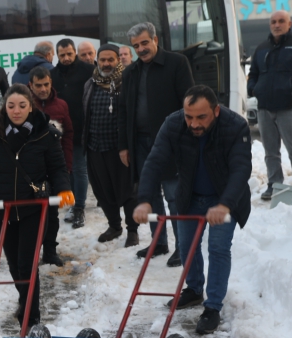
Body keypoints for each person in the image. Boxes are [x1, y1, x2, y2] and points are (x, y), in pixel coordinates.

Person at [133, 85, 252, 335]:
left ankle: (213, 306)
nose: (194, 123)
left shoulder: (235, 126)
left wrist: (225, 204)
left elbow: (241, 170)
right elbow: (154, 161)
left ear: (216, 111)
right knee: (186, 246)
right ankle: (194, 289)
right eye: (189, 117)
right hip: (190, 195)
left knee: (218, 248)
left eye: (201, 117)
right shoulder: (174, 124)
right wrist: (144, 199)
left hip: (224, 197)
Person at [0, 85, 73, 327]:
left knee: (26, 263)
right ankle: (24, 299)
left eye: (22, 106)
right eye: (11, 106)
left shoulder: (46, 134)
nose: (16, 111)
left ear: (31, 106)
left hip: (34, 208)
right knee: (12, 262)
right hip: (3, 208)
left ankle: (31, 317)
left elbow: (57, 168)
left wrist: (64, 189)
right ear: (4, 107)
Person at [117, 22, 194, 266]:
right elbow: (123, 111)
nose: (141, 49)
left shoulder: (177, 63)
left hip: (171, 142)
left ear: (155, 40)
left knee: (173, 194)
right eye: (136, 46)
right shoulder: (130, 72)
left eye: (144, 43)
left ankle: (183, 246)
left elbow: (189, 102)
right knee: (148, 193)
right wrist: (123, 146)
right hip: (139, 142)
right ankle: (159, 241)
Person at [246, 10, 292, 201]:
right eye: (273, 22)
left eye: (281, 21)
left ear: (289, 24)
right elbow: (253, 73)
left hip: (289, 106)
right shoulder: (262, 48)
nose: (277, 25)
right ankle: (274, 184)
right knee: (270, 151)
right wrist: (253, 88)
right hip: (265, 108)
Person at [82, 43, 137, 246]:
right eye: (102, 60)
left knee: (128, 190)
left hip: (120, 148)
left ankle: (132, 230)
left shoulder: (127, 82)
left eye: (110, 60)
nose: (106, 64)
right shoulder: (90, 84)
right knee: (103, 191)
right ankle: (114, 226)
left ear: (118, 60)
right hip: (95, 146)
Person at [27, 66, 73, 266]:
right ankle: (30, 251)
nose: (43, 89)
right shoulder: (24, 105)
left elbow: (69, 134)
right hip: (31, 171)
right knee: (32, 214)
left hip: (55, 167)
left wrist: (67, 163)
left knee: (52, 214)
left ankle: (50, 251)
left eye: (46, 84)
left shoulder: (61, 105)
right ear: (31, 86)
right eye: (38, 86)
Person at [52, 38, 94, 230]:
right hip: (59, 132)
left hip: (81, 129)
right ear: (57, 55)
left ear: (74, 52)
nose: (66, 58)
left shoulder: (87, 71)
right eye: (62, 55)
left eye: (69, 54)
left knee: (79, 169)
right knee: (66, 169)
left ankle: (79, 207)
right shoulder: (53, 75)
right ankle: (72, 203)